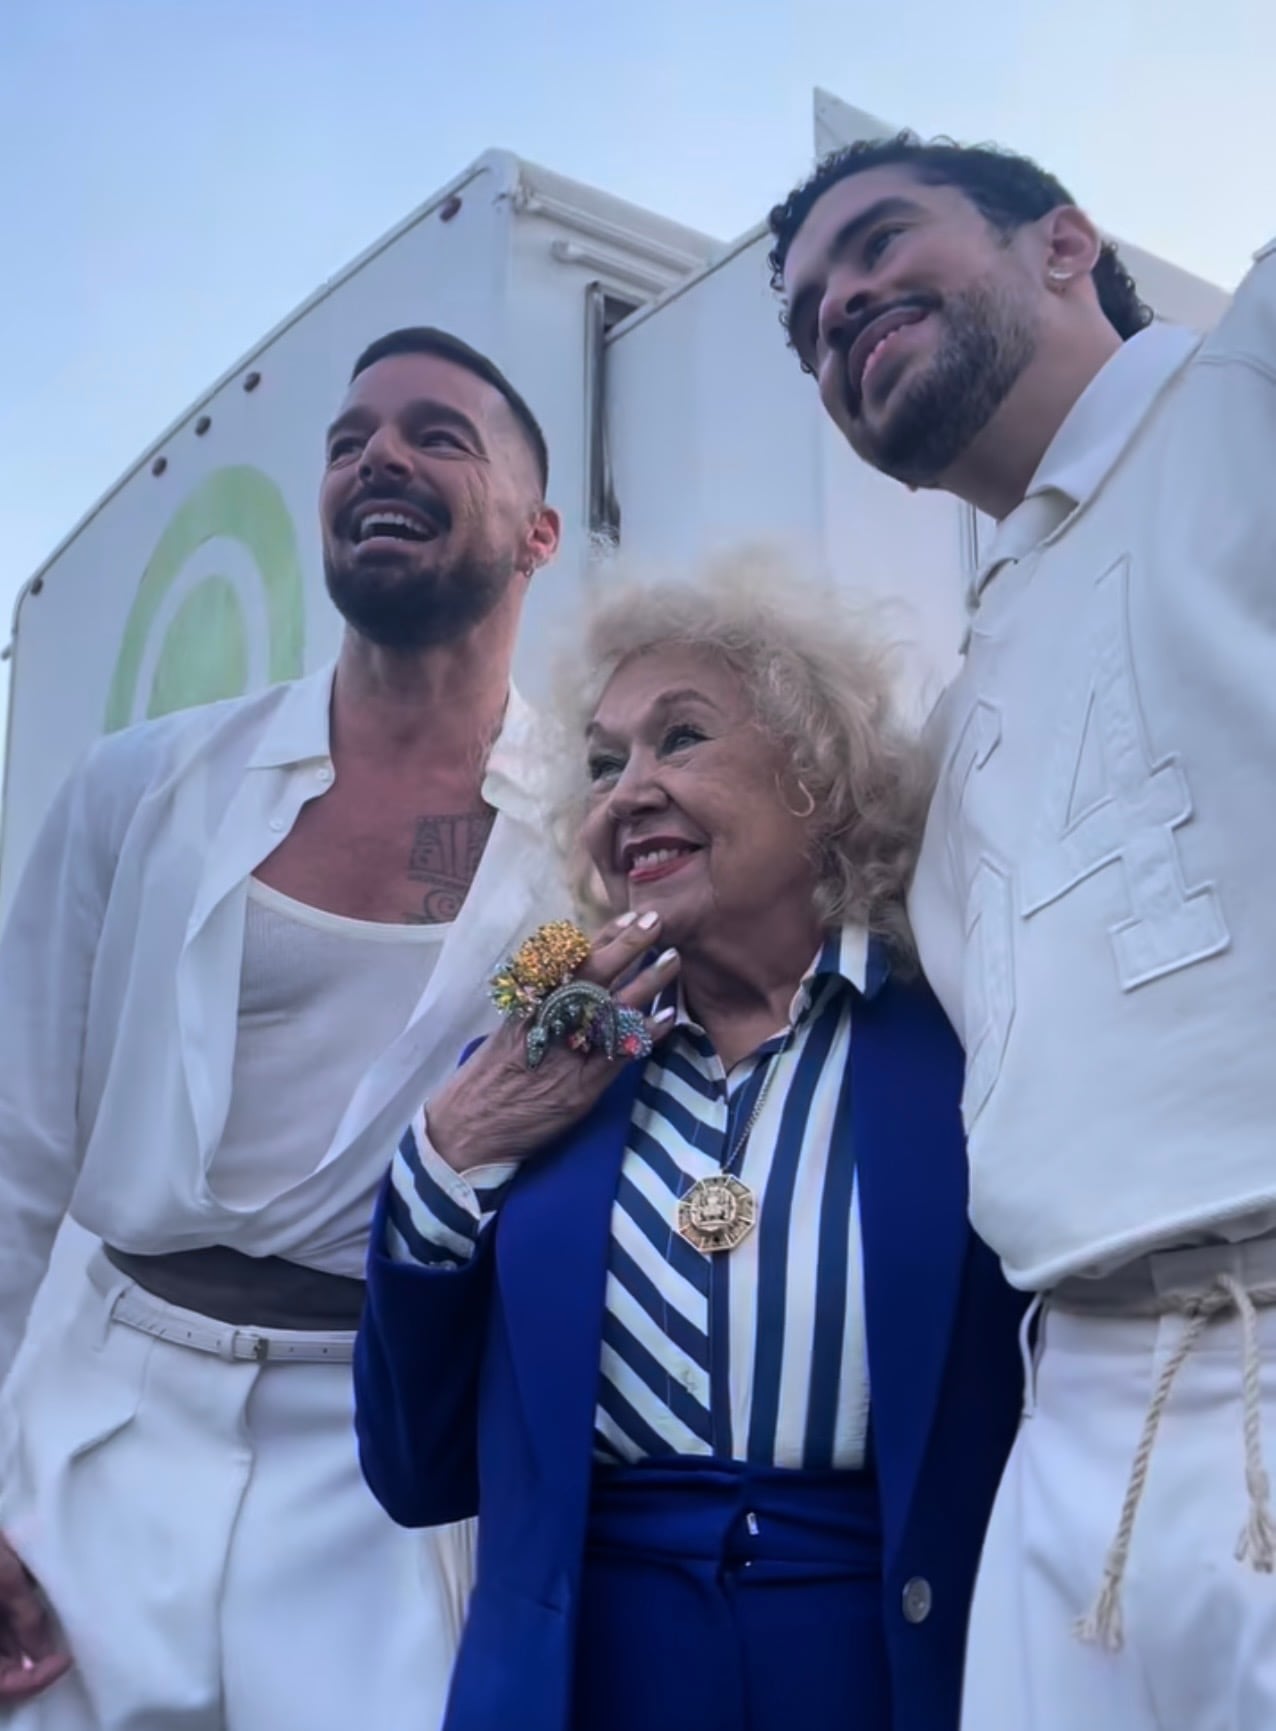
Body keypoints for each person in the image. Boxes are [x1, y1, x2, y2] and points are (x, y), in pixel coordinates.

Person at [769, 133, 1276, 1730]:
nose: (838, 308)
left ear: (1067, 242)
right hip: (1074, 1422)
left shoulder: (1245, 390)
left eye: (878, 244)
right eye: (806, 319)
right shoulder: (967, 687)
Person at [354, 552, 1027, 1731]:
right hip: (586, 1681)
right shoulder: (532, 1066)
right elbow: (415, 1467)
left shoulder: (963, 1040)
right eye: (605, 765)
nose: (626, 792)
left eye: (681, 739)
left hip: (886, 1668)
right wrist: (446, 1148)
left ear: (821, 772)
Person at [0, 326, 565, 1729]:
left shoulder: (591, 836)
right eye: (349, 438)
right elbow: (13, 1155)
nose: (378, 453)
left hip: (397, 1463)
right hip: (96, 1439)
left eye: (439, 434)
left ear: (541, 530)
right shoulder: (142, 789)